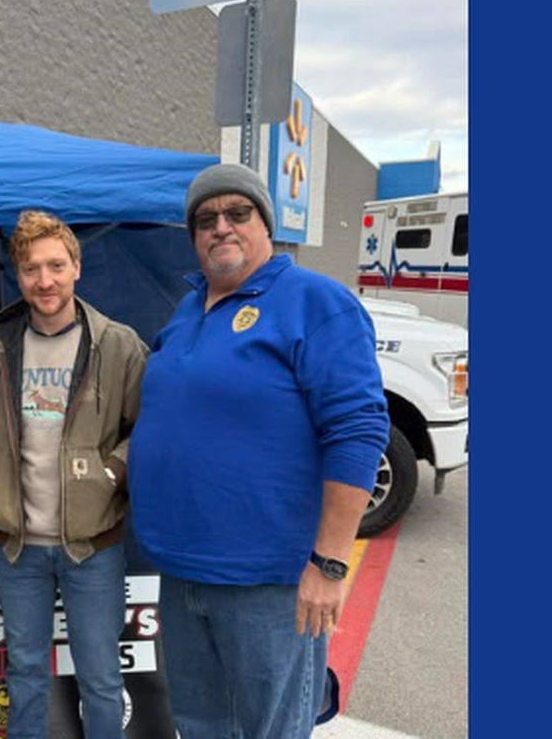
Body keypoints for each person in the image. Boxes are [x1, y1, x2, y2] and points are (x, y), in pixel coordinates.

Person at [128, 163, 390, 739]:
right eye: (205, 219)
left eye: (237, 213)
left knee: (270, 730)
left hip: (268, 583)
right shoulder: (184, 312)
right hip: (182, 572)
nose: (220, 227)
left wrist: (329, 563)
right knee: (200, 727)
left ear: (265, 224)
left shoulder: (314, 302)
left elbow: (357, 431)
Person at [0, 210, 148, 739]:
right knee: (24, 673)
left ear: (77, 267)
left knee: (101, 677)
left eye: (55, 266)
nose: (45, 280)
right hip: (18, 548)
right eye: (32, 269)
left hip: (94, 547)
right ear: (17, 276)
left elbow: (150, 428)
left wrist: (111, 471)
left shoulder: (118, 345)